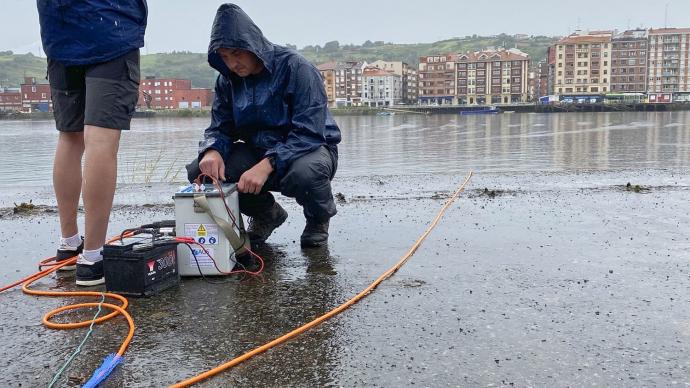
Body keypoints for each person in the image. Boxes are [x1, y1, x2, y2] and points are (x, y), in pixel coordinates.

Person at [186, 3, 341, 248]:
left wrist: (267, 164)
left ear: (253, 45)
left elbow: (309, 132)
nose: (232, 63)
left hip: (309, 149)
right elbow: (220, 127)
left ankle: (317, 220)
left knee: (305, 174)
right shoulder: (227, 80)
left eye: (237, 53)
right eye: (225, 57)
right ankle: (267, 213)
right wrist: (212, 149)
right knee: (201, 172)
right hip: (257, 150)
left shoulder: (297, 68)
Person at [37, 1, 148, 286]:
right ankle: (92, 257)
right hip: (110, 30)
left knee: (70, 137)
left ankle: (68, 244)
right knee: (101, 140)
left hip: (59, 32)